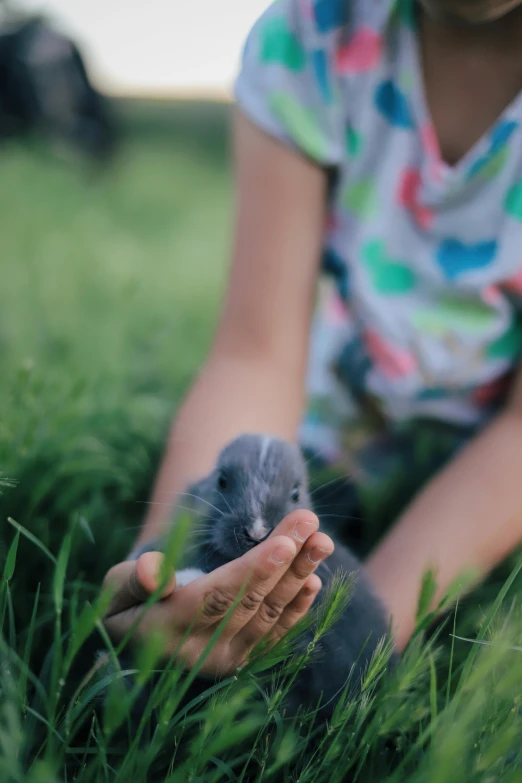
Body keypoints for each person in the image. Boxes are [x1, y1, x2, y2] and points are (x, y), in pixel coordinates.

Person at [102, 0, 522, 675]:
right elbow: (255, 354)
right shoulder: (310, 39)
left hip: (492, 468)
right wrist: (172, 568)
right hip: (341, 438)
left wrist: (362, 625)